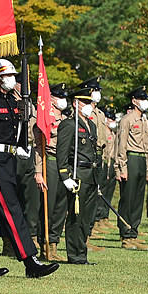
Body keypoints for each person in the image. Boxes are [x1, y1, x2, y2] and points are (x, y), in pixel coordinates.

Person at [0, 58, 58, 278]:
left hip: (9, 164)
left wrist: (20, 147)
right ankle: (31, 262)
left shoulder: (14, 101)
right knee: (13, 212)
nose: (12, 79)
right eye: (8, 76)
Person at [55, 86, 100, 264]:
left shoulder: (92, 125)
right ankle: (74, 255)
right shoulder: (69, 124)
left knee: (87, 219)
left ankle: (82, 254)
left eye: (90, 102)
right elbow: (62, 153)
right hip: (78, 175)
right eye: (85, 102)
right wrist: (65, 176)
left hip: (91, 174)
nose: (90, 105)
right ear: (76, 104)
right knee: (76, 217)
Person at [33, 83, 68, 261]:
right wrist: (38, 171)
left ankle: (54, 244)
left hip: (64, 165)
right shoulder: (45, 118)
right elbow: (39, 147)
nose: (63, 100)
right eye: (59, 96)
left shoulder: (67, 119)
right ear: (52, 98)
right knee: (49, 205)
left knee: (61, 207)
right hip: (50, 163)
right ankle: (44, 245)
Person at [114, 86, 148, 250]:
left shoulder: (145, 120)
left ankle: (134, 232)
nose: (145, 102)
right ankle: (125, 234)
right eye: (142, 99)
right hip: (131, 158)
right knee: (128, 198)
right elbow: (121, 145)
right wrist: (122, 166)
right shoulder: (127, 120)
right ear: (134, 101)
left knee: (137, 199)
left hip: (142, 159)